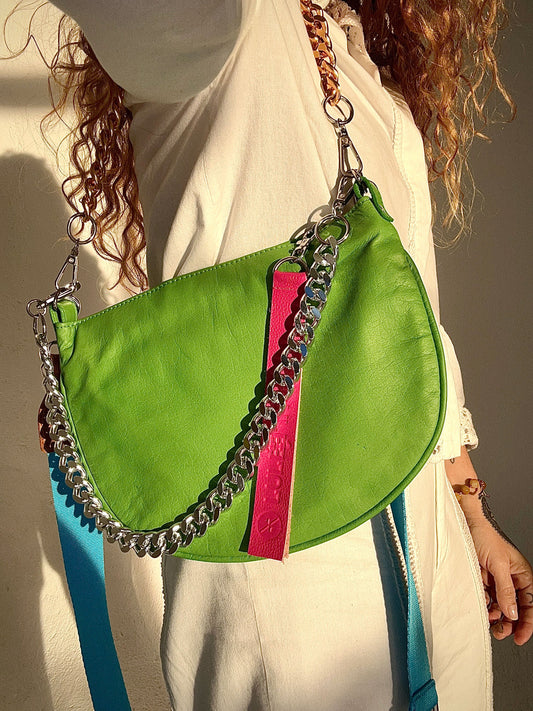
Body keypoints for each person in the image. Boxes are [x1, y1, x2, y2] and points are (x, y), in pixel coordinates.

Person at [10, 0, 533, 709]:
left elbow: (413, 316)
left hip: (423, 523)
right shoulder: (224, 24)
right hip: (281, 556)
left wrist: (469, 508)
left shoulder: (349, 53)